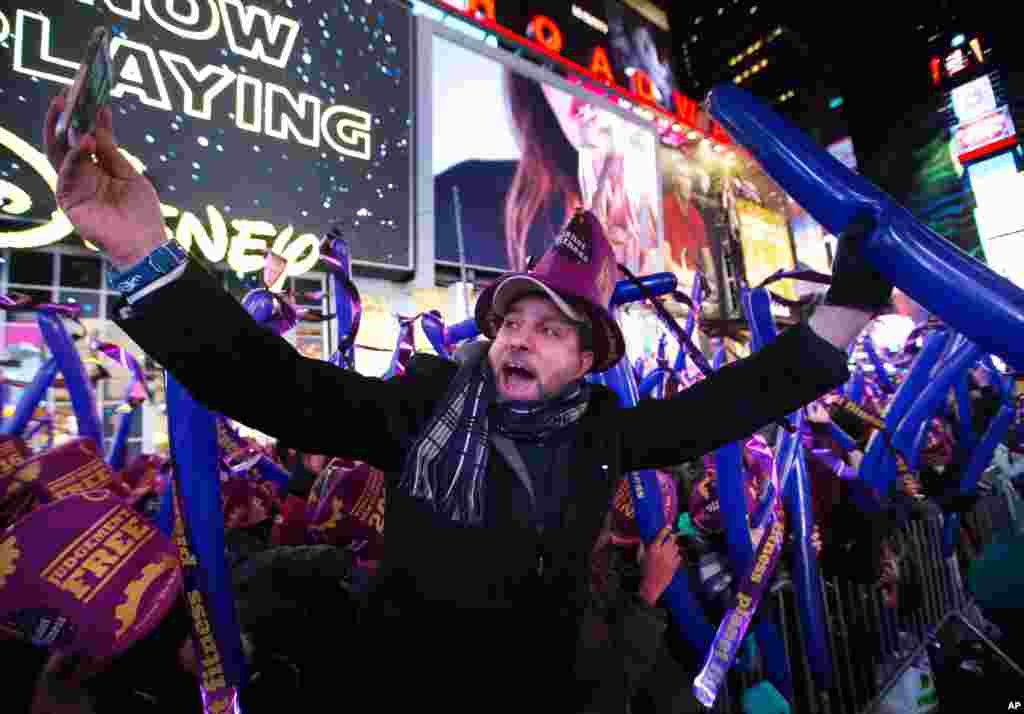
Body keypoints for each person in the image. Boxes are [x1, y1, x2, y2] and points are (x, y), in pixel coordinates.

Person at [43, 93, 890, 711]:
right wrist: (142, 251)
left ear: (590, 358)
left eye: (551, 329)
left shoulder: (605, 434)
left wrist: (845, 310)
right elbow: (275, 386)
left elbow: (732, 403)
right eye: (512, 319)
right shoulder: (421, 406)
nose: (520, 337)